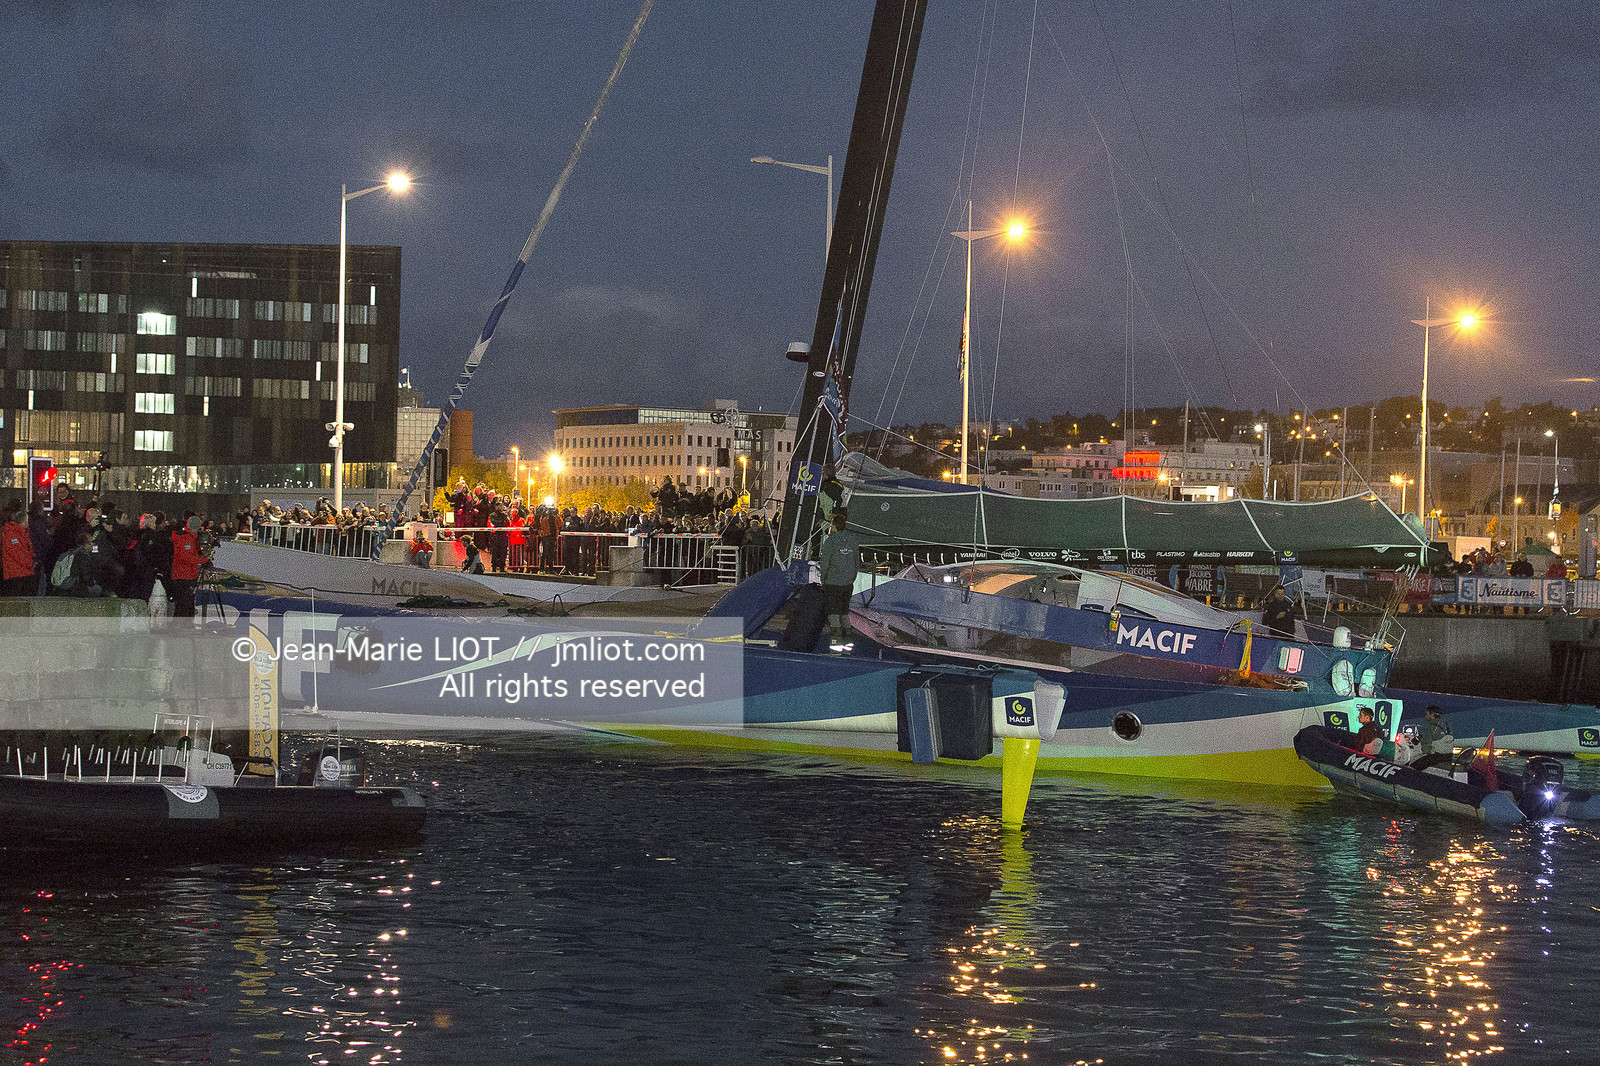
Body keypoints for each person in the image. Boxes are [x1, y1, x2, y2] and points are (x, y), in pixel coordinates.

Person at [817, 507, 860, 651]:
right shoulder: (853, 540)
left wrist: (824, 580)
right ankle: (848, 642)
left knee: (833, 613)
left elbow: (825, 563)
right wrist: (851, 578)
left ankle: (836, 642)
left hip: (833, 582)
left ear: (834, 526)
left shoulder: (830, 542)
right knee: (844, 612)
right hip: (848, 583)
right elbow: (856, 562)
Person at [1411, 704, 1456, 772]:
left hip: (1436, 758)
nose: (1426, 716)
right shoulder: (1447, 725)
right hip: (1448, 757)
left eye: (1427, 714)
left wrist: (1423, 745)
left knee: (1412, 766)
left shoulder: (1432, 726)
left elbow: (1426, 748)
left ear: (1432, 715)